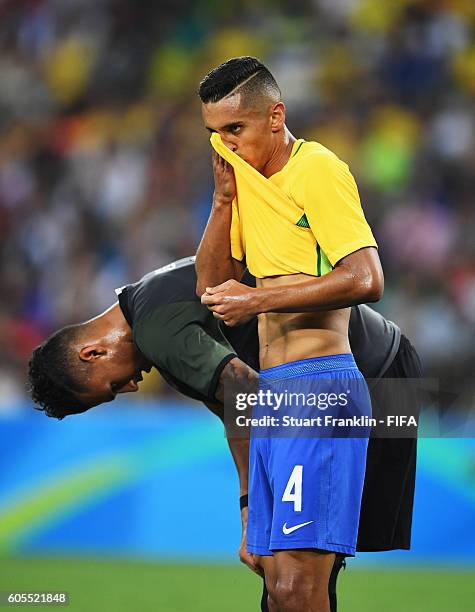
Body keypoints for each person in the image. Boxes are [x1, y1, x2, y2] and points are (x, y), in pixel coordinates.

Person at [28, 257, 421, 612]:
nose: (130, 386)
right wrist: (251, 508)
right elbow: (235, 408)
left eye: (113, 387)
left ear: (92, 353)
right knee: (290, 581)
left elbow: (249, 394)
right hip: (370, 376)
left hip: (368, 381)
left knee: (296, 581)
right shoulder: (149, 300)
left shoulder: (158, 334)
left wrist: (264, 509)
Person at [195, 56, 384, 611]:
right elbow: (212, 288)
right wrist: (224, 201)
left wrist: (259, 298)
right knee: (275, 586)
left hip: (318, 386)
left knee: (301, 586)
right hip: (276, 397)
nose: (225, 145)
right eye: (214, 134)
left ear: (275, 116)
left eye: (235, 129)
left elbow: (366, 277)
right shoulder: (246, 185)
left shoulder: (318, 168)